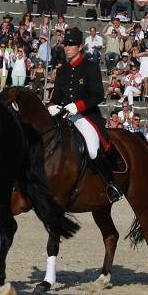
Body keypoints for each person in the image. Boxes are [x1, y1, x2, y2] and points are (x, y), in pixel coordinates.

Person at [47, 27, 123, 202]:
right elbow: (56, 96)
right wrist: (52, 106)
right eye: (65, 44)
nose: (67, 48)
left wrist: (78, 106)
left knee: (92, 149)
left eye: (71, 45)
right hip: (64, 115)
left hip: (85, 116)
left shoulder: (91, 67)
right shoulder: (62, 70)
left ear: (80, 47)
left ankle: (112, 185)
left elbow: (98, 95)